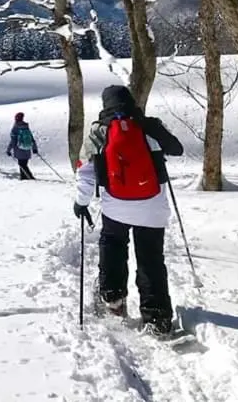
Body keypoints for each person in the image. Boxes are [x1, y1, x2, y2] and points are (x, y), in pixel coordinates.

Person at [74, 85, 184, 337]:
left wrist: (81, 202)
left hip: (116, 206)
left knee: (112, 244)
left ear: (105, 105)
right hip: (153, 206)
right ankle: (157, 318)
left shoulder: (98, 132)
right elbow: (177, 149)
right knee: (151, 259)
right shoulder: (149, 125)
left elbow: (86, 173)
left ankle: (113, 299)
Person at [7, 112, 39, 180]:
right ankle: (24, 177)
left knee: (22, 165)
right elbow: (32, 139)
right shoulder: (26, 127)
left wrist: (8, 150)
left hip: (19, 149)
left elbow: (13, 141)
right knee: (24, 164)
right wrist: (34, 148)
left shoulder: (15, 128)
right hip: (27, 149)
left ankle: (28, 177)